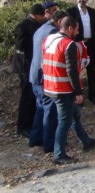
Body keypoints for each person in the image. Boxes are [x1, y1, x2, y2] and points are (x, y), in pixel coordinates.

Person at [42, 16, 95, 165]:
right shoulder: (69, 44)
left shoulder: (49, 39)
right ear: (70, 28)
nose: (77, 32)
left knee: (74, 115)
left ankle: (86, 141)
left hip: (50, 85)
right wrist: (78, 92)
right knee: (64, 121)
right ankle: (59, 154)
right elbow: (71, 71)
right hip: (62, 89)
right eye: (76, 29)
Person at [29, 9, 65, 152]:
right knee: (49, 111)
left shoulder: (40, 28)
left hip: (34, 74)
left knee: (40, 108)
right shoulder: (52, 33)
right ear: (60, 21)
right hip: (44, 76)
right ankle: (49, 144)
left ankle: (35, 139)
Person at [14, 3, 46, 138]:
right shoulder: (22, 27)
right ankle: (22, 126)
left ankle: (32, 123)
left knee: (34, 97)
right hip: (25, 67)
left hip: (35, 65)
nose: (43, 18)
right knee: (27, 97)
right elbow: (21, 47)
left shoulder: (39, 25)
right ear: (35, 15)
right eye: (41, 16)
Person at [67, 0, 95, 106]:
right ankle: (78, 97)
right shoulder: (71, 11)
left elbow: (94, 29)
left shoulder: (91, 11)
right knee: (77, 72)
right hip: (77, 44)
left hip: (90, 44)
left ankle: (93, 96)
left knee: (91, 72)